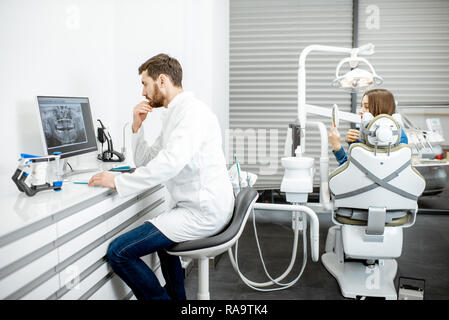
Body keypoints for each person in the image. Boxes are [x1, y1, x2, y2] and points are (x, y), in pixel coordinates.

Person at [88, 53, 235, 300]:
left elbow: (169, 164)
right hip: (195, 207)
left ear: (162, 80)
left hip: (204, 212)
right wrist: (137, 126)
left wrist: (117, 181)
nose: (144, 92)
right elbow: (148, 161)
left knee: (119, 252)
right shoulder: (173, 115)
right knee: (162, 242)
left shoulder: (192, 113)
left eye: (145, 84)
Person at [328, 88, 408, 166]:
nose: (360, 111)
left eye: (366, 107)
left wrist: (336, 145)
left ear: (382, 108)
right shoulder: (363, 134)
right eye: (361, 106)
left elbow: (351, 173)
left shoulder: (398, 137)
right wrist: (353, 144)